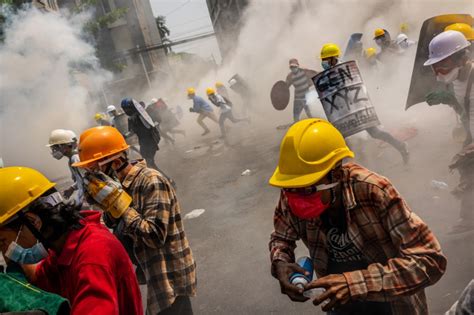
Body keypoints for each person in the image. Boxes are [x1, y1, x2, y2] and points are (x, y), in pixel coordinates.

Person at [268, 119, 447, 314]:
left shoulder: (374, 191)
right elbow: (281, 237)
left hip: (394, 306)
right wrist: (280, 262)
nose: (298, 198)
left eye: (308, 188)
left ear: (335, 175)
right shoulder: (293, 194)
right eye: (291, 188)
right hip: (339, 305)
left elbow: (430, 261)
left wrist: (353, 284)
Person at [72, 126, 196, 315]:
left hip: (169, 276)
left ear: (114, 162)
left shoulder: (151, 181)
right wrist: (108, 204)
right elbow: (113, 223)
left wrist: (119, 203)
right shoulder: (120, 185)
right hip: (152, 272)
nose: (93, 176)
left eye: (95, 169)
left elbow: (154, 235)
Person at [0, 166, 143, 314]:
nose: (6, 251)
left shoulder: (92, 256)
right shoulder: (63, 250)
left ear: (32, 221)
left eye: (2, 241)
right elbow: (38, 278)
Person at [319, 43, 410, 163]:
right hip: (344, 110)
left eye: (325, 60)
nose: (323, 63)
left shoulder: (344, 69)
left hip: (357, 107)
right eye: (323, 60)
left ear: (332, 58)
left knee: (375, 133)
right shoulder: (330, 73)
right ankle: (350, 164)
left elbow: (354, 86)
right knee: (341, 138)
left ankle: (400, 146)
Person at [424, 30, 473, 146]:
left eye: (444, 66)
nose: (439, 74)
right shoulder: (458, 79)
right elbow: (468, 111)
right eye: (435, 68)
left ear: (462, 58)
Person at [46, 129, 85, 208]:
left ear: (64, 146)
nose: (54, 151)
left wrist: (79, 201)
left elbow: (85, 180)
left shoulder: (75, 159)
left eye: (55, 148)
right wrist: (72, 189)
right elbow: (81, 180)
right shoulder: (71, 160)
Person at [121, 98, 161, 170]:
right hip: (143, 143)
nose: (126, 111)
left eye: (127, 109)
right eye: (124, 109)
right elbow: (132, 131)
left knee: (148, 163)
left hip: (150, 140)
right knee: (148, 163)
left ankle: (164, 178)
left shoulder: (141, 115)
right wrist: (124, 136)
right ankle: (166, 178)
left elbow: (149, 126)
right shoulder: (131, 119)